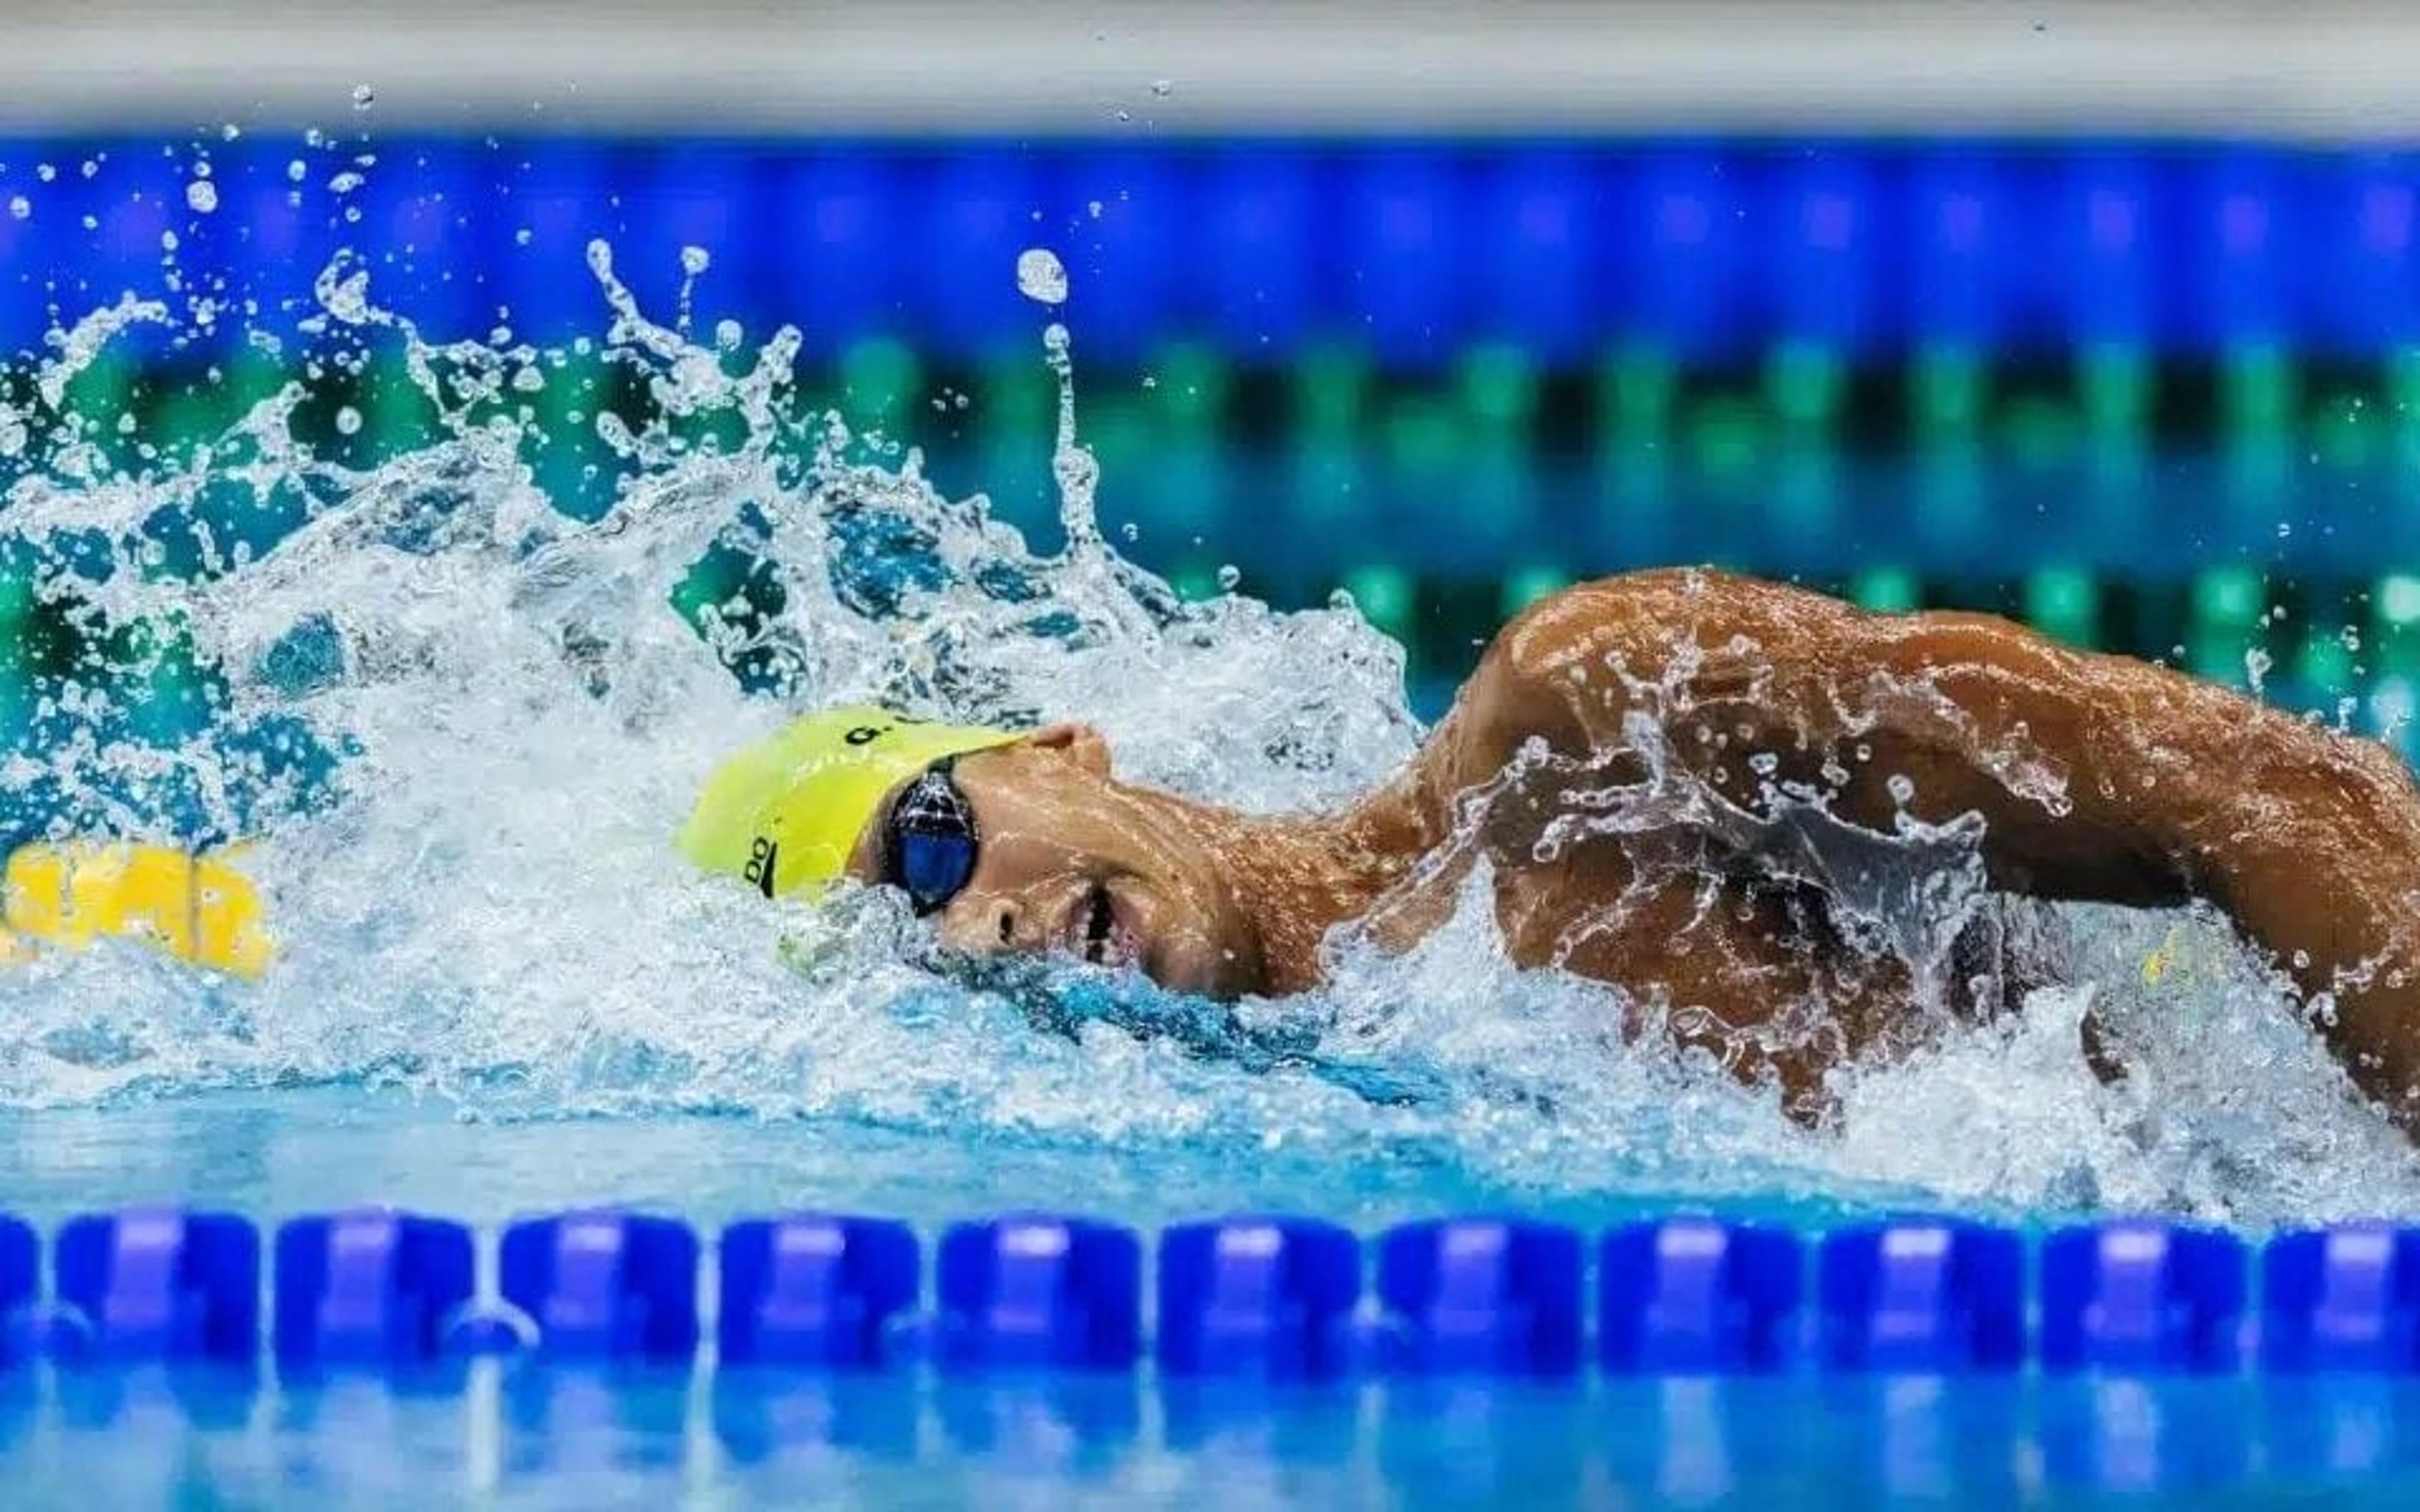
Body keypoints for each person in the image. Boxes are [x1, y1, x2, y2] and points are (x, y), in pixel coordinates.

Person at [681, 566, 2420, 1131]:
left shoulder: (1587, 732)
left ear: (1063, 747)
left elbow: (2258, 796)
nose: (967, 926)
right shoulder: (1321, 1102)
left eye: (926, 847)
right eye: (903, 936)